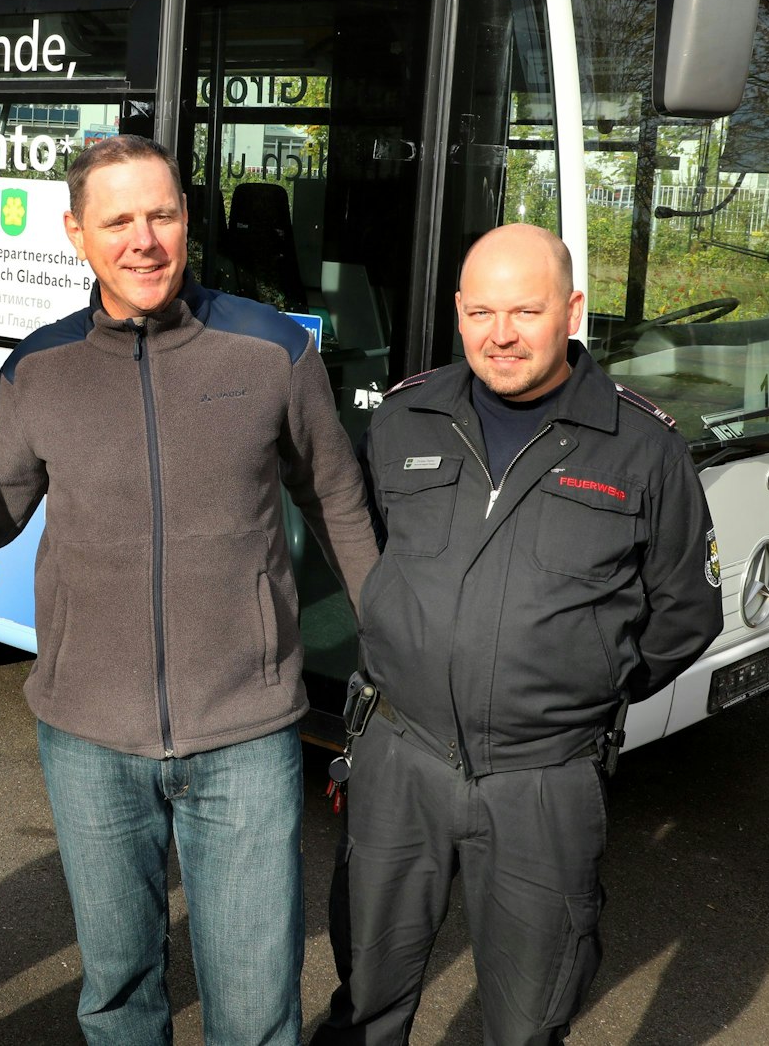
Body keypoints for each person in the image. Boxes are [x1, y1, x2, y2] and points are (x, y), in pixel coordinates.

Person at [0, 134, 382, 1044]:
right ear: (77, 233)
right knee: (118, 993)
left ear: (188, 221)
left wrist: (390, 645)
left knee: (255, 1001)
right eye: (118, 220)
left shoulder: (268, 348)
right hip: (87, 735)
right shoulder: (37, 368)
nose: (143, 238)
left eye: (162, 214)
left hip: (245, 730)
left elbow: (339, 497)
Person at [310, 224, 724, 1045]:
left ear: (571, 310)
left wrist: (579, 685)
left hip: (543, 782)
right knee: (366, 999)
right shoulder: (404, 419)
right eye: (481, 312)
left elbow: (686, 612)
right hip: (401, 756)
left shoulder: (642, 446)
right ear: (458, 314)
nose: (500, 335)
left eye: (526, 311)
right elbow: (370, 547)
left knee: (528, 1019)